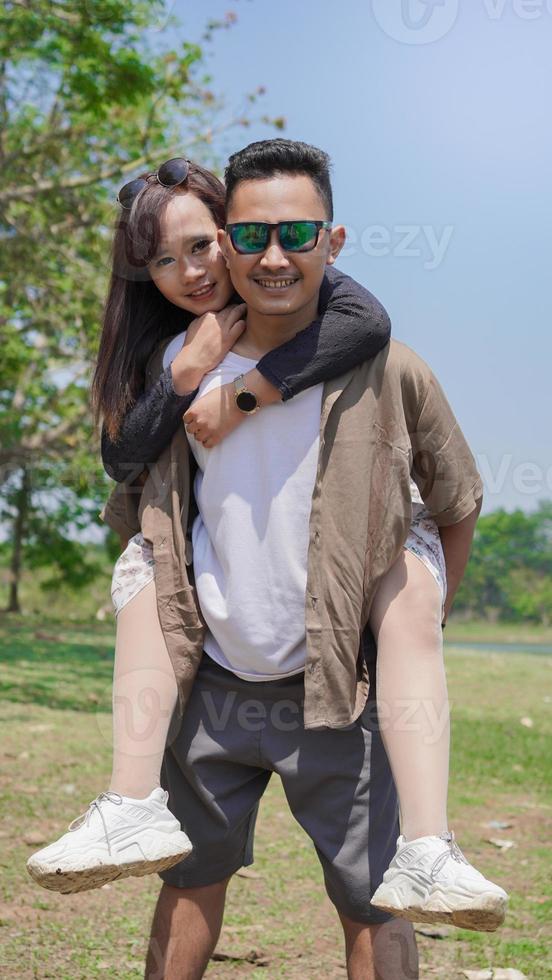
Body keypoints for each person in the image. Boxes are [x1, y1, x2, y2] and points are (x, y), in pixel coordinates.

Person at [32, 141, 508, 978]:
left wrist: (410, 622)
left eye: (298, 234)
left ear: (334, 240)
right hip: (213, 685)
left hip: (338, 691)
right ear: (230, 238)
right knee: (185, 883)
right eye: (250, 237)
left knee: (375, 900)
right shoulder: (173, 365)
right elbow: (136, 504)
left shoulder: (383, 364)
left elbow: (458, 500)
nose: (272, 256)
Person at [25, 157, 392, 885]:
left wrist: (246, 392)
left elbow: (370, 320)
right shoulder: (170, 340)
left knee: (364, 888)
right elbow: (121, 454)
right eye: (163, 260)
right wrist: (186, 375)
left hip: (321, 623)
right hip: (215, 612)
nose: (190, 272)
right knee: (139, 562)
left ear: (233, 233)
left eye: (202, 246)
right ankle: (128, 803)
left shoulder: (311, 298)